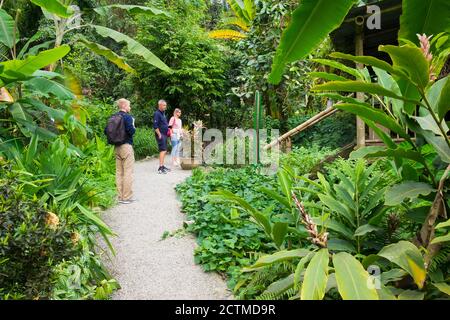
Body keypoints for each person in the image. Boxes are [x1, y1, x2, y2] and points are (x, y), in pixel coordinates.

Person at [106, 98, 136, 204]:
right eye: (129, 105)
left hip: (116, 147)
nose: (130, 107)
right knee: (128, 172)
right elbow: (131, 131)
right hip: (126, 146)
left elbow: (106, 131)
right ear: (124, 106)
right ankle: (126, 197)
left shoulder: (113, 117)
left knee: (119, 172)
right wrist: (133, 125)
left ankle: (119, 196)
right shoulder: (128, 117)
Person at [153, 99, 171, 174]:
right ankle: (160, 168)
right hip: (161, 135)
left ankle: (163, 166)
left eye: (165, 105)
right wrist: (159, 134)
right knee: (162, 150)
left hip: (165, 134)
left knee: (165, 150)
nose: (165, 107)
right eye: (164, 105)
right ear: (159, 105)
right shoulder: (157, 113)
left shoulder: (163, 113)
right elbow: (155, 126)